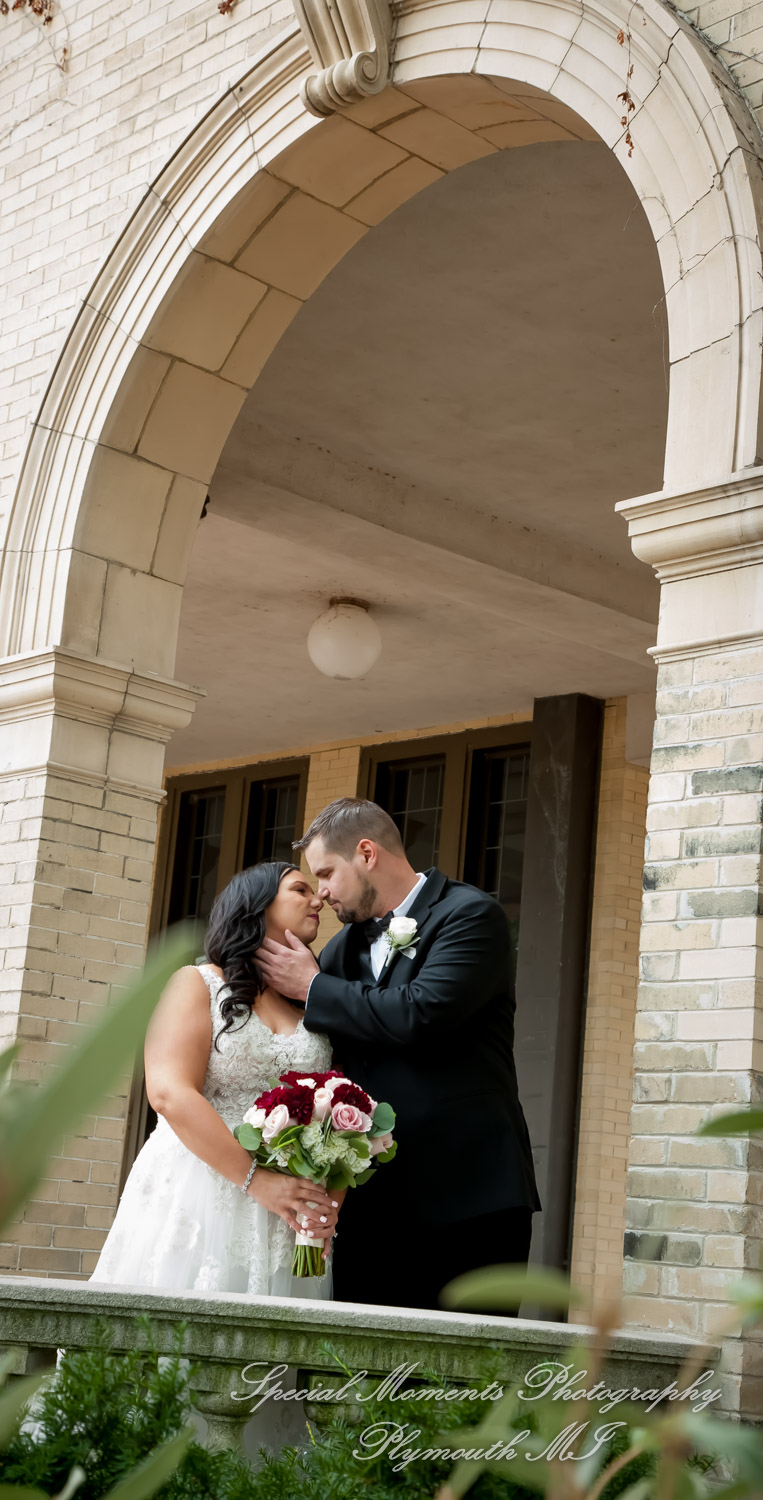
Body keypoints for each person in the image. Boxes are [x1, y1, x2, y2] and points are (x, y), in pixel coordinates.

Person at [257, 798, 540, 1312]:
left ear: (366, 853)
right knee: (362, 1377)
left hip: (470, 1195)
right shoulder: (341, 952)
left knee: (467, 1376)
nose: (321, 892)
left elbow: (420, 1014)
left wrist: (314, 987)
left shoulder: (470, 915)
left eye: (325, 873)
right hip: (371, 1207)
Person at [90, 862, 340, 1297]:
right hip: (200, 1188)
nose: (317, 899)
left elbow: (335, 1113)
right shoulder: (198, 983)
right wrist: (258, 1182)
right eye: (300, 889)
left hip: (288, 1214)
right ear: (257, 904)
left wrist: (328, 1205)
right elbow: (168, 1092)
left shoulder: (313, 1003)